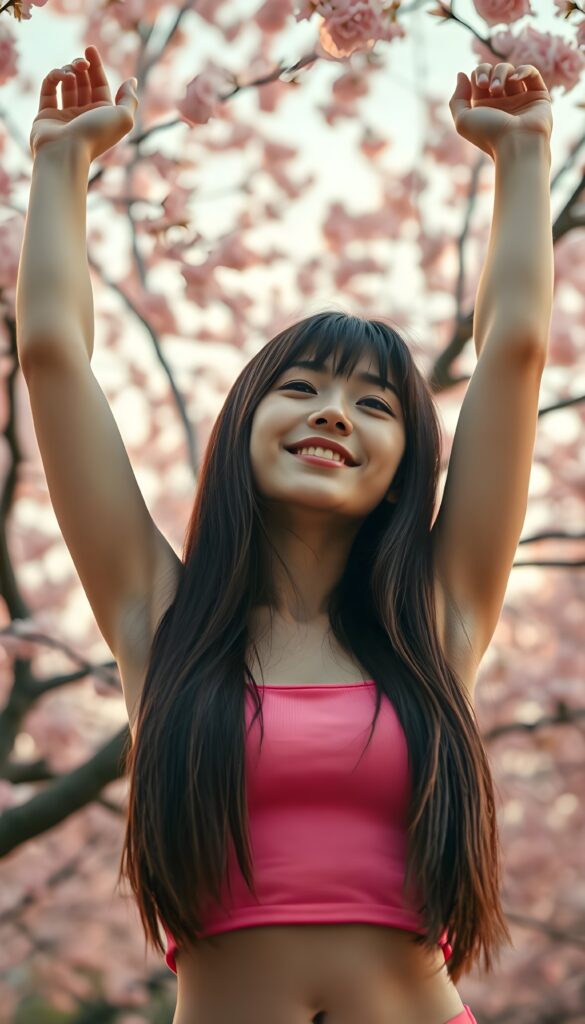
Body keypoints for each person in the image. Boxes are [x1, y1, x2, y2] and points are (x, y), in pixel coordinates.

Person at [17, 43, 553, 1024]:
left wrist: (521, 159)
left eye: (374, 403)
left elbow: (514, 355)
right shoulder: (161, 618)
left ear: (407, 463)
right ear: (242, 426)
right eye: (301, 389)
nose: (334, 412)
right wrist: (61, 163)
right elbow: (52, 357)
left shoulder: (442, 617)